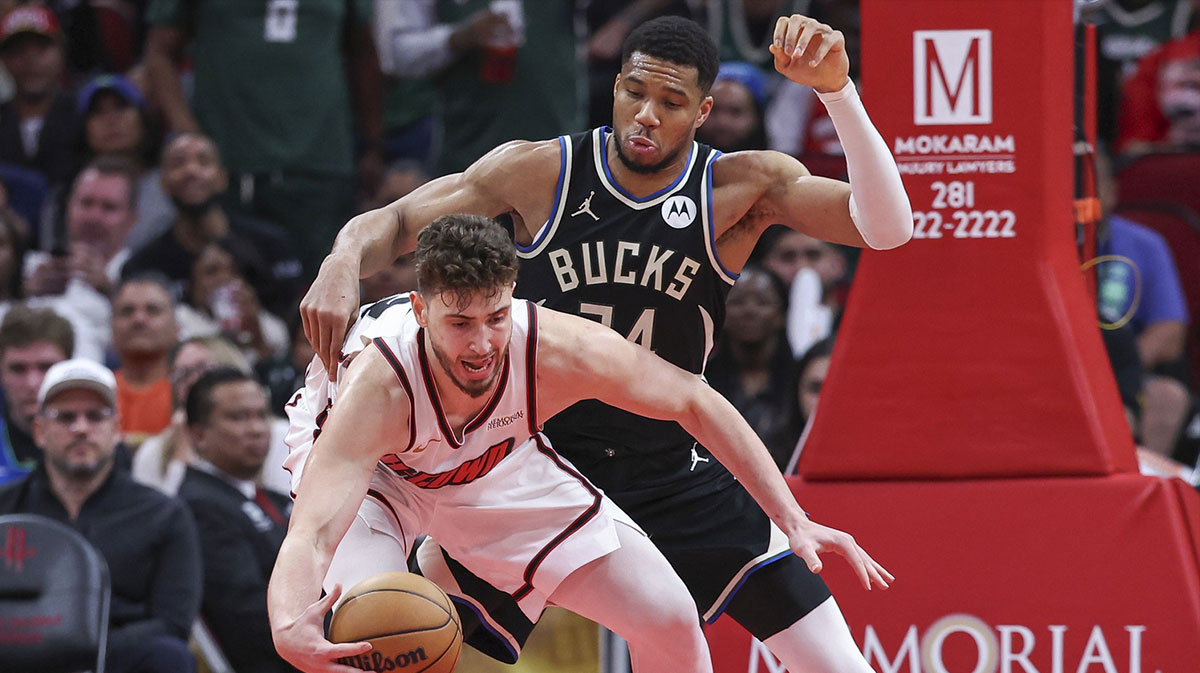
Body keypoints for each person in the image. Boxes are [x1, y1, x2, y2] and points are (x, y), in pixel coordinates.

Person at [299, 15, 910, 672]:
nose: (646, 115)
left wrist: (838, 92)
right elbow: (396, 221)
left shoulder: (738, 187)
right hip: (534, 468)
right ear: (615, 87)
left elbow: (886, 229)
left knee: (835, 662)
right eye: (635, 92)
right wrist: (341, 260)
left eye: (671, 102)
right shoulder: (542, 172)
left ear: (703, 112)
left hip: (670, 467)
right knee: (404, 638)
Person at [271, 214, 890, 673]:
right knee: (373, 644)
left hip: (490, 466)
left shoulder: (554, 345)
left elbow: (693, 400)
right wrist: (286, 625)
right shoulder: (379, 385)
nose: (482, 344)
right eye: (460, 324)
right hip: (379, 479)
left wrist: (792, 517)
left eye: (495, 317)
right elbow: (313, 533)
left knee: (670, 617)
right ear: (421, 309)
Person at [0, 357, 202, 673]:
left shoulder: (163, 514)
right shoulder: (5, 509)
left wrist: (87, 652)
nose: (81, 428)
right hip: (17, 657)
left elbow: (173, 621)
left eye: (95, 416)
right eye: (65, 417)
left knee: (168, 655)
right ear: (40, 431)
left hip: (118, 659)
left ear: (117, 428)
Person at [180, 367, 296, 673]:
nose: (256, 429)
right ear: (198, 434)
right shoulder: (198, 506)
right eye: (238, 417)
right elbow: (247, 616)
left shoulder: (276, 499)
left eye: (261, 415)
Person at [122, 133, 304, 318]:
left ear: (222, 178)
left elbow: (295, 319)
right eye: (178, 163)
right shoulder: (143, 266)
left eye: (203, 161)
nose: (191, 170)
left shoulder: (272, 245)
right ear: (163, 182)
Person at [0, 4, 78, 189]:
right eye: (18, 50)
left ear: (62, 51)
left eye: (41, 48)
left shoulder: (85, 112)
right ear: (4, 60)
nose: (30, 60)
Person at [0, 305, 72, 485]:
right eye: (18, 369)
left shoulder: (102, 447)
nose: (32, 383)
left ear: (69, 370)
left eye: (46, 367)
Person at [111, 273, 179, 443]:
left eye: (152, 310)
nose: (139, 319)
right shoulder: (97, 393)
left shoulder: (191, 393)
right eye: (127, 311)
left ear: (177, 326)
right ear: (111, 327)